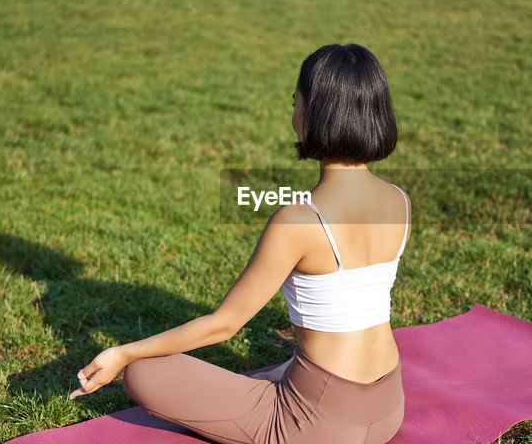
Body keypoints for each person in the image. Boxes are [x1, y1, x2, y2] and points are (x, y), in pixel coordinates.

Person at [67, 43, 408, 444]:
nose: (292, 114)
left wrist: (124, 353)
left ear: (315, 114)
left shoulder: (299, 220)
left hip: (320, 427)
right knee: (287, 367)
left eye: (294, 103)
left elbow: (225, 324)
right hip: (388, 408)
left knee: (145, 371)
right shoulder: (398, 200)